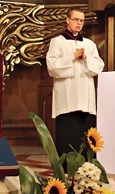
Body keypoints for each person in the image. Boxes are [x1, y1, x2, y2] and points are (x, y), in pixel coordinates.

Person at [46, 8, 104, 156]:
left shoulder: (89, 44)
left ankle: (87, 169)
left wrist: (86, 58)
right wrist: (72, 57)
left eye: (81, 21)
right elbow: (52, 67)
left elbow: (99, 67)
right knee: (68, 134)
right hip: (67, 97)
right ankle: (65, 168)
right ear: (68, 20)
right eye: (76, 19)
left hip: (86, 97)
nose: (79, 23)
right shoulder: (57, 42)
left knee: (85, 135)